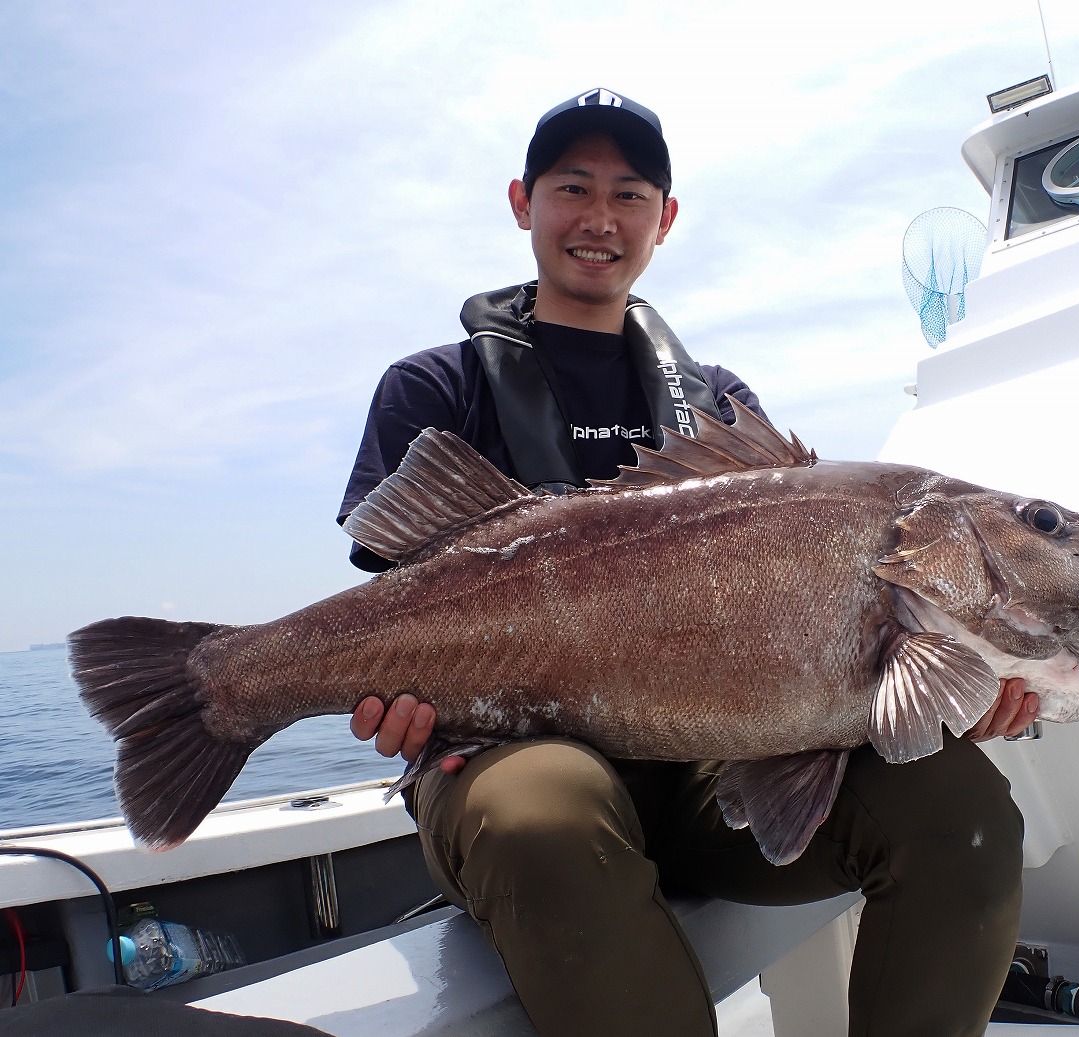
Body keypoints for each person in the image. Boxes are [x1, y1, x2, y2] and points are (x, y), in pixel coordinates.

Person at [339, 88, 1038, 1037]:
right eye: (571, 187)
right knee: (544, 813)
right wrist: (399, 695)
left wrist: (953, 694)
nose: (599, 218)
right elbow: (393, 601)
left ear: (664, 220)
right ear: (521, 201)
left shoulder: (721, 405)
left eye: (630, 194)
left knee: (957, 807)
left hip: (714, 774)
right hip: (503, 752)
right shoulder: (434, 385)